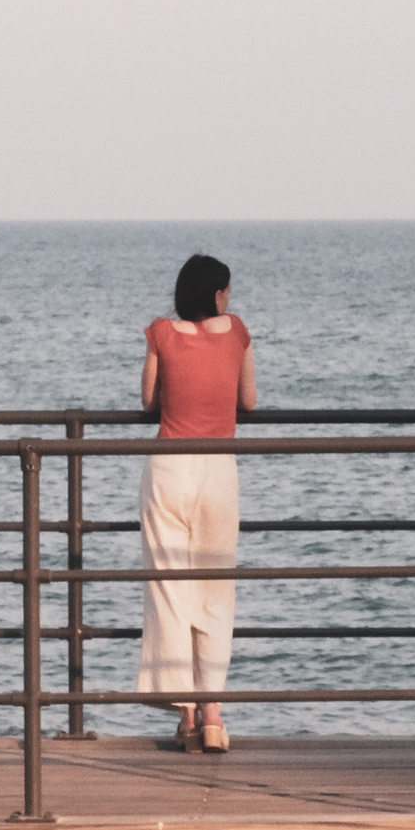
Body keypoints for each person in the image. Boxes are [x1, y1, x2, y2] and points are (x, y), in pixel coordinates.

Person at [136, 250, 256, 751]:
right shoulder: (238, 332)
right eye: (226, 290)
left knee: (169, 590)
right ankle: (213, 717)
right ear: (218, 294)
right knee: (214, 592)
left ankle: (183, 712)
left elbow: (148, 401)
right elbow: (248, 401)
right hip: (217, 470)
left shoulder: (162, 333)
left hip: (169, 467)